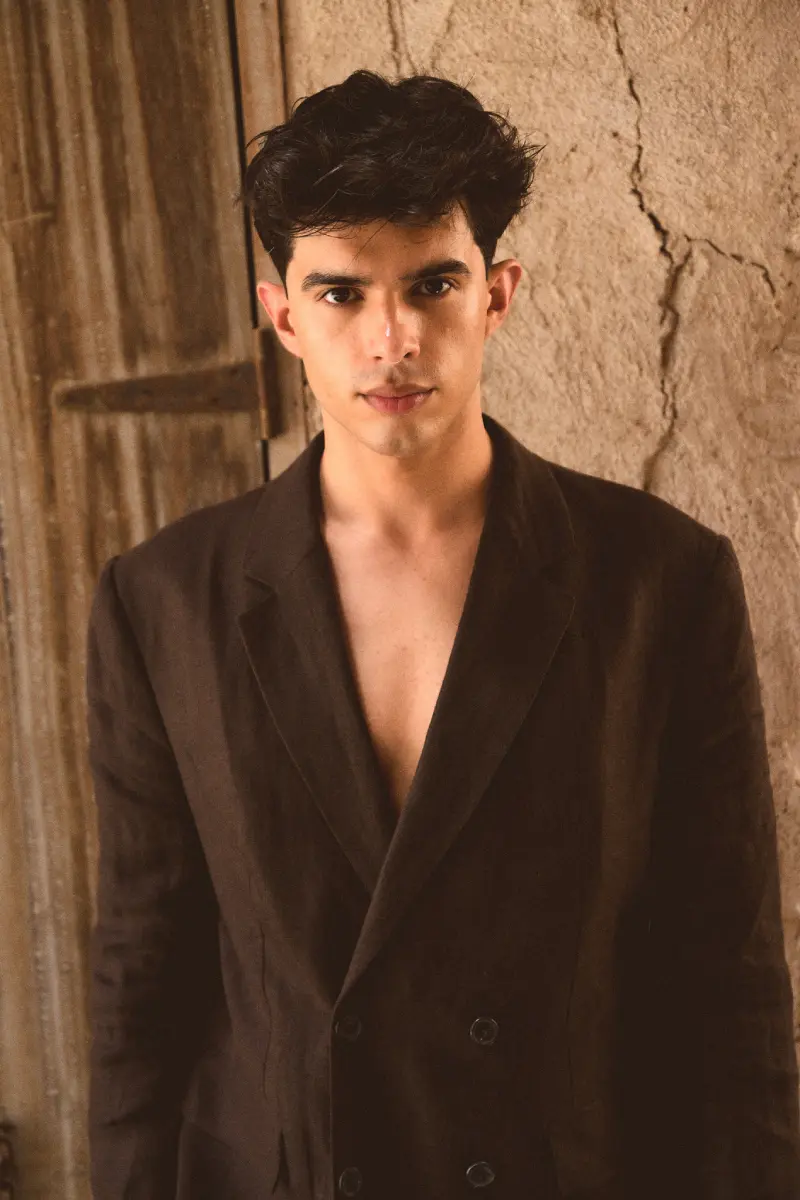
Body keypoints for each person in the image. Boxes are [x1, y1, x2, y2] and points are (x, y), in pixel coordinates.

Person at [86, 70, 800, 1199]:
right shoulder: (163, 601)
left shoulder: (661, 581)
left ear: (496, 294)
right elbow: (142, 981)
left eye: (432, 284)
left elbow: (731, 984)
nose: (393, 339)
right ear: (283, 316)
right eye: (341, 294)